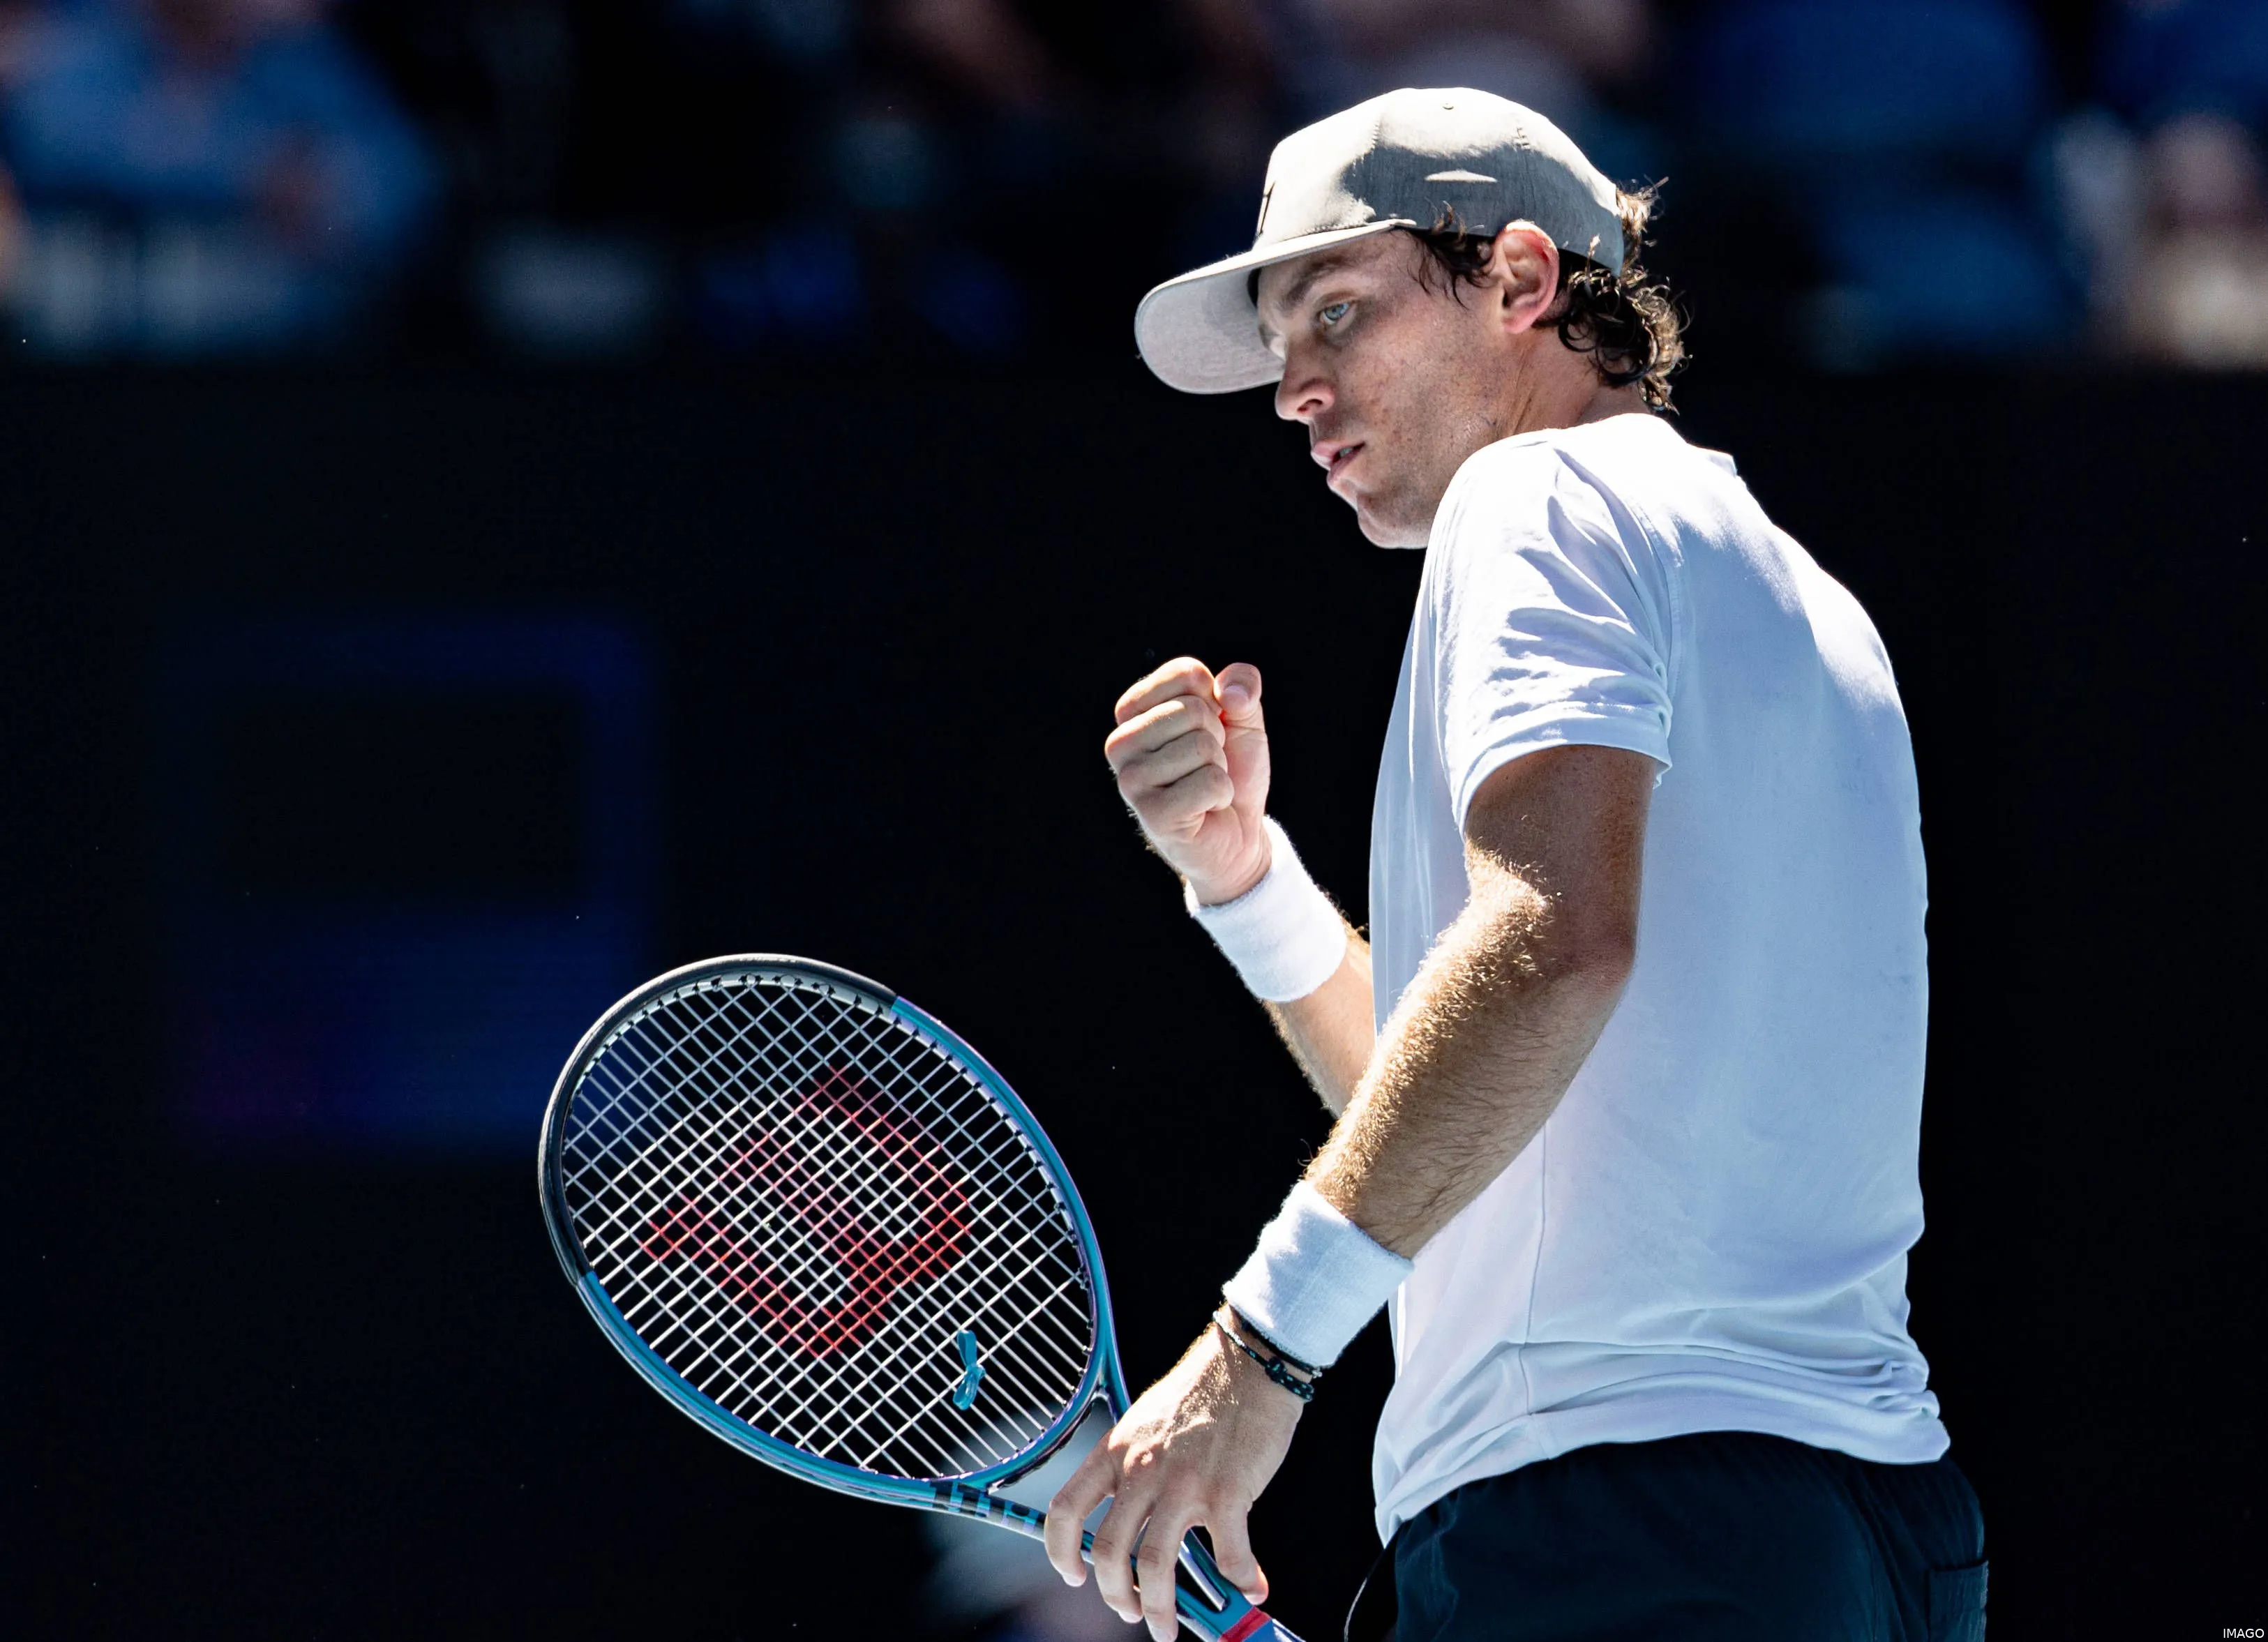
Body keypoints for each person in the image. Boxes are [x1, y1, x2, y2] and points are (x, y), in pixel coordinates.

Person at [1044, 88, 1988, 1641]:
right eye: (1280, 351)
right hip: (1857, 1537)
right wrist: (1246, 881)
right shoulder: (1800, 593)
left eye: (1336, 312)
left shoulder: (1534, 492)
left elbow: (1549, 948)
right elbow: (1490, 1114)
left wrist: (1251, 1358)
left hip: (1616, 1527)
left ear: (1521, 281)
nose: (1294, 390)